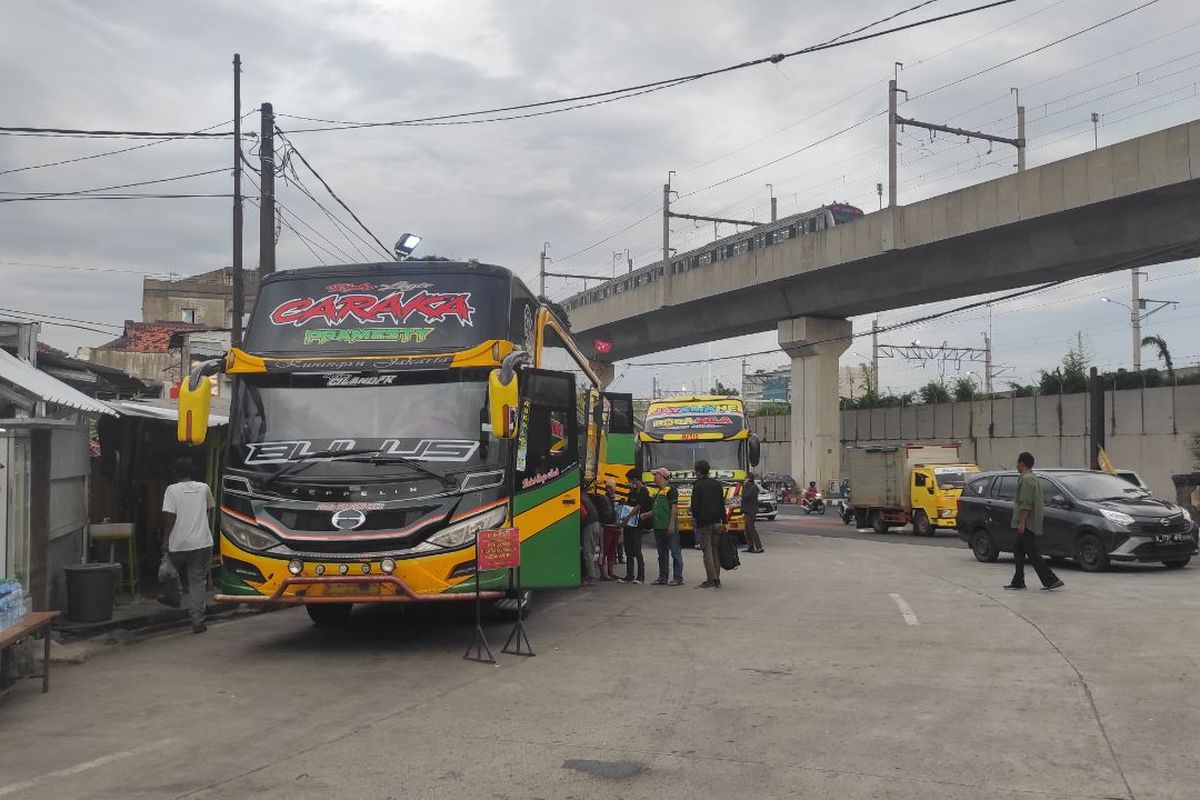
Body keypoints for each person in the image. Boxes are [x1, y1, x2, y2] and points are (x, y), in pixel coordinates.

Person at [161, 457, 215, 633]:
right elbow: (207, 509)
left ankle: (172, 595)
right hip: (201, 542)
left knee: (168, 569)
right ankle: (197, 621)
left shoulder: (171, 490)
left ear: (175, 473)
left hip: (179, 542)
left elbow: (170, 516)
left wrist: (165, 539)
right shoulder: (204, 488)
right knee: (197, 582)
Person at [1005, 451, 1065, 592]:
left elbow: (1026, 503)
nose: (1016, 466)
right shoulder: (1032, 478)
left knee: (1032, 553)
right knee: (1018, 550)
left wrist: (1022, 522)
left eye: (1017, 463)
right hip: (1029, 522)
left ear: (1022, 464)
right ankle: (1018, 581)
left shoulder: (1027, 479)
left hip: (1027, 523)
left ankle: (1051, 580)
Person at [691, 460, 727, 588]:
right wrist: (725, 521)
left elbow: (695, 506)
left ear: (699, 472)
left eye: (695, 471)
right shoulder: (717, 484)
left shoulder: (698, 486)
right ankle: (717, 578)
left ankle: (711, 579)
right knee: (715, 550)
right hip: (717, 522)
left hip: (704, 523)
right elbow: (722, 504)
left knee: (707, 551)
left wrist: (695, 518)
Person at [649, 468, 683, 586]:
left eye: (655, 475)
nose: (654, 477)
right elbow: (656, 509)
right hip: (659, 527)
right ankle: (662, 577)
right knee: (662, 554)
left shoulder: (671, 490)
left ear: (662, 476)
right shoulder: (659, 491)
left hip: (668, 526)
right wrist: (646, 515)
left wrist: (671, 524)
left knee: (675, 552)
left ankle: (678, 578)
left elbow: (674, 508)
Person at [621, 469, 651, 584]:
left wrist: (628, 516)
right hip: (629, 525)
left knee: (637, 550)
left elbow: (639, 506)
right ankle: (629, 575)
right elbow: (628, 504)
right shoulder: (632, 491)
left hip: (638, 524)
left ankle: (641, 576)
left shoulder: (644, 491)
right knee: (628, 550)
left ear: (635, 479)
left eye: (631, 480)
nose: (630, 482)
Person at [598, 480, 621, 581]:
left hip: (616, 527)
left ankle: (610, 572)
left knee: (612, 551)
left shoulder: (617, 498)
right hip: (606, 527)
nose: (611, 490)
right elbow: (606, 513)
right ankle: (603, 574)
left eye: (613, 488)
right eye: (609, 488)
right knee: (604, 551)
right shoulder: (603, 498)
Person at [579, 486, 600, 587]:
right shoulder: (586, 497)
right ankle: (590, 575)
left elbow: (583, 513)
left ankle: (591, 577)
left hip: (589, 525)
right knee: (591, 551)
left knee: (588, 553)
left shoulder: (579, 498)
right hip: (596, 524)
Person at [742, 473, 764, 553]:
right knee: (747, 529)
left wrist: (744, 486)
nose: (744, 479)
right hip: (747, 510)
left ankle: (759, 547)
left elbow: (745, 496)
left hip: (751, 511)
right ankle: (750, 546)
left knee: (751, 529)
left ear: (749, 479)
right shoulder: (749, 487)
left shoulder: (753, 487)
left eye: (746, 478)